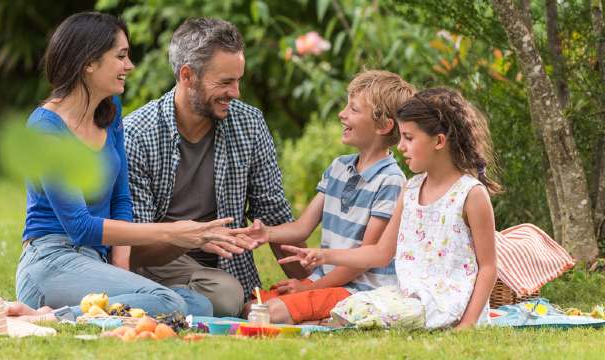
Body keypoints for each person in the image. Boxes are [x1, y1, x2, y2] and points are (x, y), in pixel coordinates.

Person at [14, 12, 241, 322]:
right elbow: (80, 226)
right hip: (52, 260)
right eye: (120, 56)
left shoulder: (110, 113)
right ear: (88, 63)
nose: (129, 66)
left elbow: (121, 200)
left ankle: (78, 312)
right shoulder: (46, 130)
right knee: (166, 303)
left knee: (199, 307)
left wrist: (121, 273)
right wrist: (172, 232)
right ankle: (48, 316)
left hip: (95, 260)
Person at [123, 17, 305, 317]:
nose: (236, 92)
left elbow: (273, 214)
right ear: (187, 76)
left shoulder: (249, 123)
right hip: (157, 262)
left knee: (227, 292)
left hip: (224, 269)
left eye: (238, 80)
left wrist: (313, 285)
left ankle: (173, 303)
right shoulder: (137, 134)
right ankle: (161, 299)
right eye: (225, 82)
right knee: (227, 295)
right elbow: (134, 246)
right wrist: (191, 238)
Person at [279, 88, 499, 329]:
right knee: (348, 306)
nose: (401, 146)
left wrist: (467, 324)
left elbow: (488, 267)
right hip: (407, 297)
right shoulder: (412, 189)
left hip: (447, 303)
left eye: (409, 137)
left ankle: (332, 324)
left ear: (439, 141)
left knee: (363, 313)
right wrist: (325, 256)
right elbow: (381, 253)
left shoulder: (471, 194)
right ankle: (330, 323)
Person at [236, 71, 414, 324]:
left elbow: (362, 261)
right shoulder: (338, 168)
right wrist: (267, 234)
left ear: (384, 125)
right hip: (326, 281)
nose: (342, 114)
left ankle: (325, 318)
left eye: (353, 109)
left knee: (266, 313)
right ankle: (317, 317)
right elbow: (302, 228)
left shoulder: (391, 181)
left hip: (358, 291)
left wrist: (311, 289)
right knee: (251, 305)